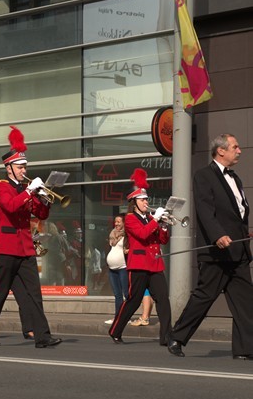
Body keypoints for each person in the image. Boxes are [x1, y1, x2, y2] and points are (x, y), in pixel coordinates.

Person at [169, 134, 253, 359]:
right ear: (221, 151)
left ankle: (245, 350)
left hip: (239, 250)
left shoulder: (234, 178)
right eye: (235, 147)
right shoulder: (204, 176)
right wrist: (218, 235)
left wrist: (245, 232)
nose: (239, 150)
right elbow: (205, 210)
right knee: (204, 297)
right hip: (217, 252)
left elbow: (237, 213)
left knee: (245, 302)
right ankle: (176, 337)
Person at [0, 126, 61, 348]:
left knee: (34, 293)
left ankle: (42, 336)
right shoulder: (2, 187)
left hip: (25, 248)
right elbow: (11, 207)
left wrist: (45, 199)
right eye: (20, 166)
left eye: (25, 166)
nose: (24, 170)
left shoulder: (27, 189)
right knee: (1, 292)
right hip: (6, 248)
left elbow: (40, 214)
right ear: (9, 168)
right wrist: (29, 192)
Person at [108, 168, 171, 346]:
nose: (146, 202)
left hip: (155, 264)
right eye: (142, 199)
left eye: (146, 199)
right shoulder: (129, 218)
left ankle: (166, 336)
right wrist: (155, 220)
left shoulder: (150, 218)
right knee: (133, 300)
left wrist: (164, 226)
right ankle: (115, 330)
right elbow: (143, 235)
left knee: (163, 300)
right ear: (133, 202)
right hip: (139, 264)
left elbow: (162, 239)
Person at [105, 215, 129, 325]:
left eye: (119, 222)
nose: (117, 224)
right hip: (112, 269)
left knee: (126, 294)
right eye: (115, 222)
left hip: (123, 268)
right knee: (117, 295)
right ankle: (117, 318)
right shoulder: (112, 234)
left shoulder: (127, 235)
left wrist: (128, 250)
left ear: (124, 223)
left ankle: (125, 317)